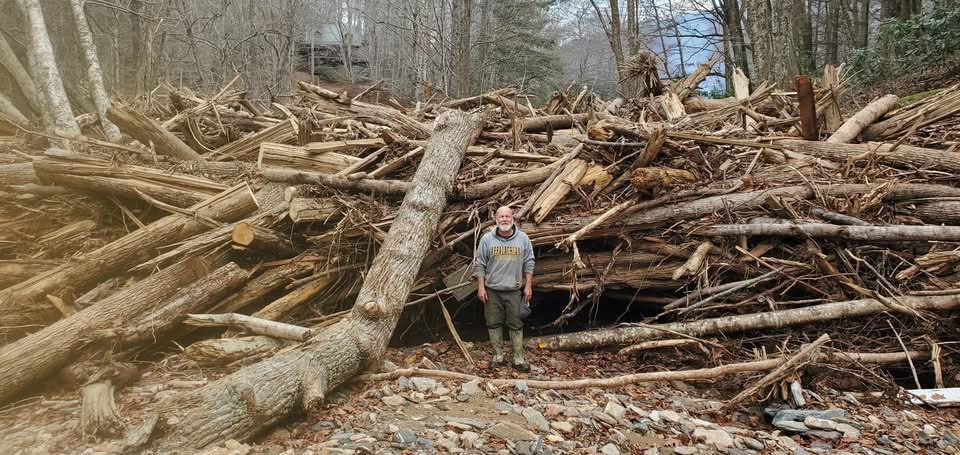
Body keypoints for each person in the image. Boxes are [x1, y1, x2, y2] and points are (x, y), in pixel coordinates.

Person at [474, 206, 535, 372]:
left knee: (516, 323)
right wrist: (481, 287)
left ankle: (518, 358)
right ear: (496, 219)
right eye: (501, 216)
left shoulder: (523, 238)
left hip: (514, 290)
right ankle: (498, 356)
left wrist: (528, 285)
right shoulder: (487, 239)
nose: (504, 219)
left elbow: (529, 262)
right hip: (492, 290)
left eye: (507, 216)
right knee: (493, 322)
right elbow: (480, 264)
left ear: (512, 219)